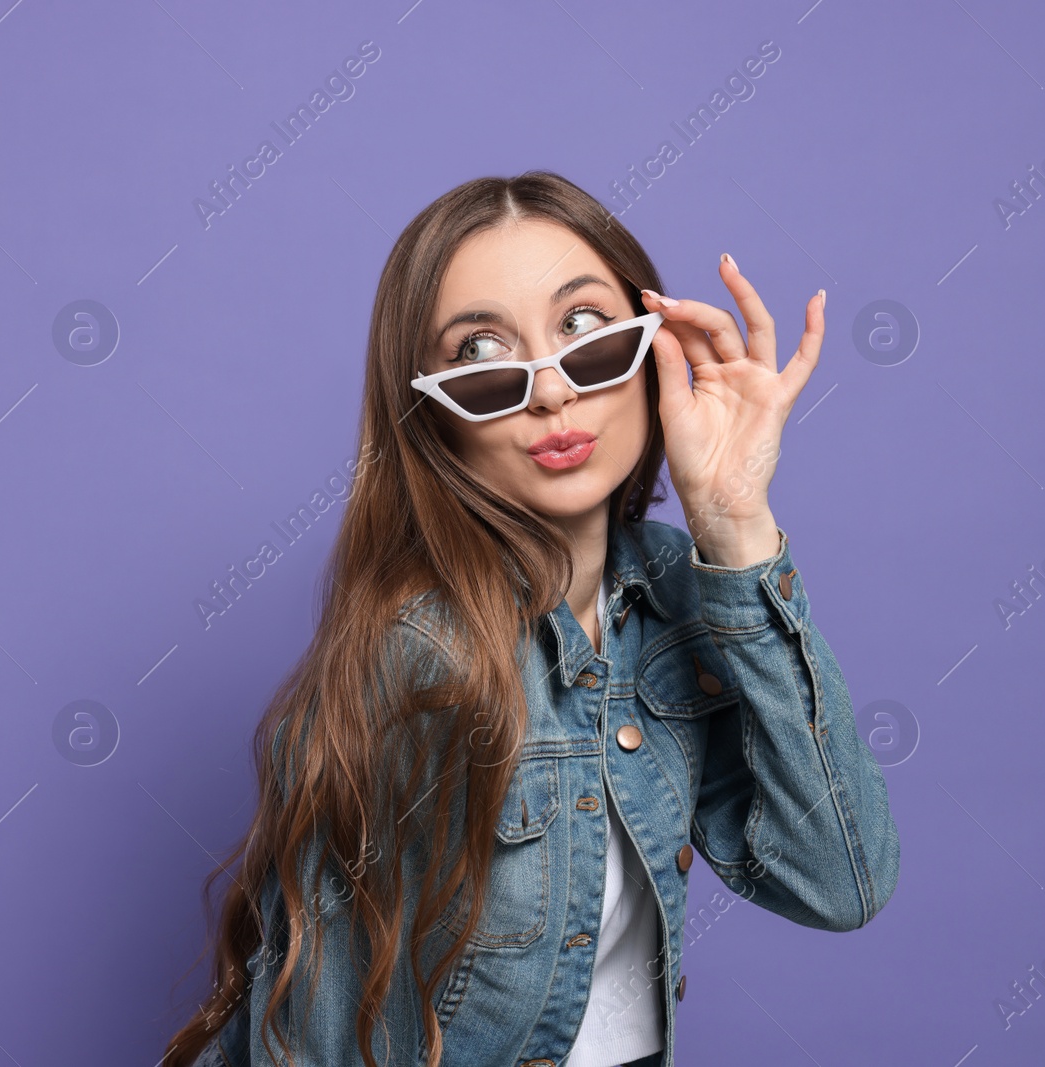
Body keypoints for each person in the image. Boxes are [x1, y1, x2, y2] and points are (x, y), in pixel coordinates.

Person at [163, 170, 900, 1067]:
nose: (551, 393)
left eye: (586, 332)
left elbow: (838, 880)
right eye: (482, 355)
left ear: (657, 347)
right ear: (433, 416)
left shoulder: (678, 587)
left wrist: (737, 527)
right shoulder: (414, 656)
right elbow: (323, 1030)